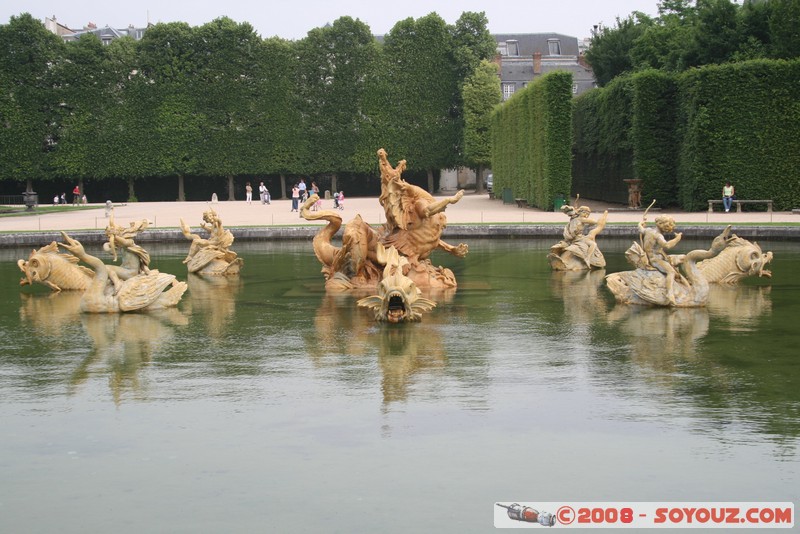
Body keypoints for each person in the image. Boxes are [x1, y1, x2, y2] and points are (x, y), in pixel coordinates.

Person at [639, 215, 684, 305]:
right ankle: (669, 294)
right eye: (668, 226)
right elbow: (666, 245)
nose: (669, 229)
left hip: (654, 256)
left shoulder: (648, 230)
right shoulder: (658, 236)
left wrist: (640, 223)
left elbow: (641, 229)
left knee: (681, 258)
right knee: (671, 272)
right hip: (655, 259)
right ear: (662, 226)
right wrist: (677, 239)